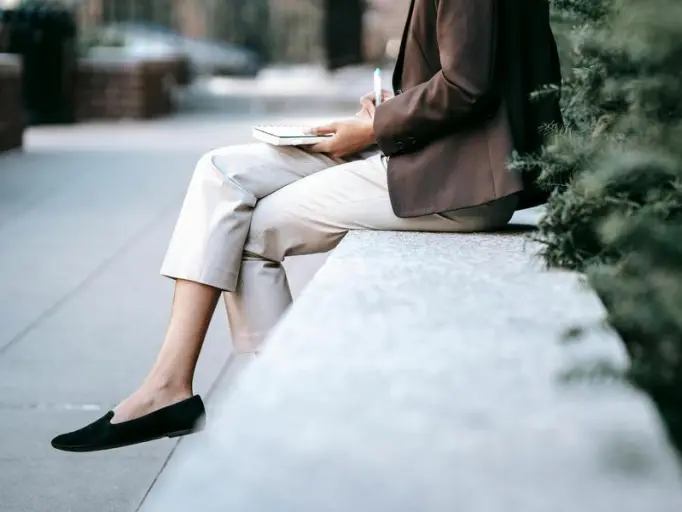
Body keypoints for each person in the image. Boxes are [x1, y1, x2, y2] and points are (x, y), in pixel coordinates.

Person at [51, 0, 562, 452]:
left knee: (249, 233)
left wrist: (373, 127)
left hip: (458, 183)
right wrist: (385, 115)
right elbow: (469, 76)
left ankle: (276, 411)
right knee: (220, 171)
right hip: (433, 161)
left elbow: (466, 86)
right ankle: (168, 384)